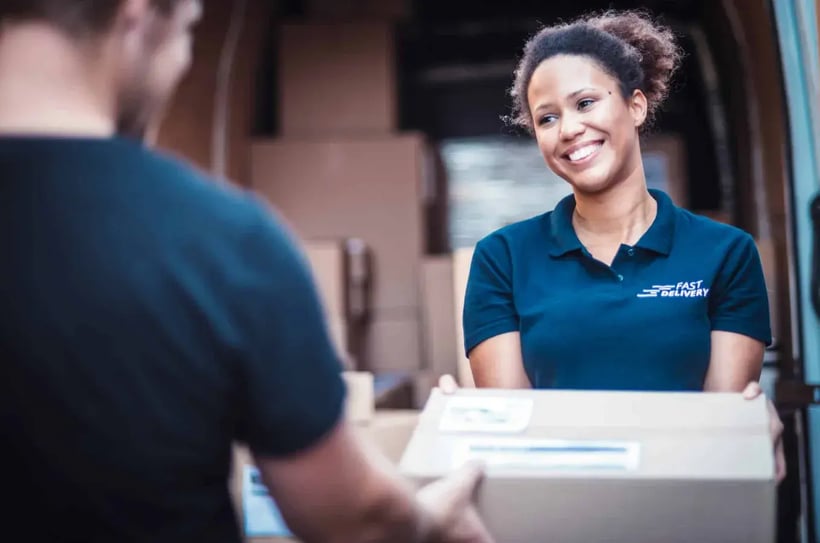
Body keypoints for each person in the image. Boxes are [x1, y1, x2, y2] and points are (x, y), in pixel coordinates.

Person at [0, 1, 494, 542]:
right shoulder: (224, 240)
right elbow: (349, 516)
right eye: (188, 33)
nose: (182, 64)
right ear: (137, 14)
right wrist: (431, 518)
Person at [443, 10, 785, 482]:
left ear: (636, 106)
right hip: (556, 506)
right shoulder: (502, 259)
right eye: (547, 118)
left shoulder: (726, 253)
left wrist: (745, 431)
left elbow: (719, 431)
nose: (568, 129)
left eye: (585, 103)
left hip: (687, 503)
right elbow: (517, 435)